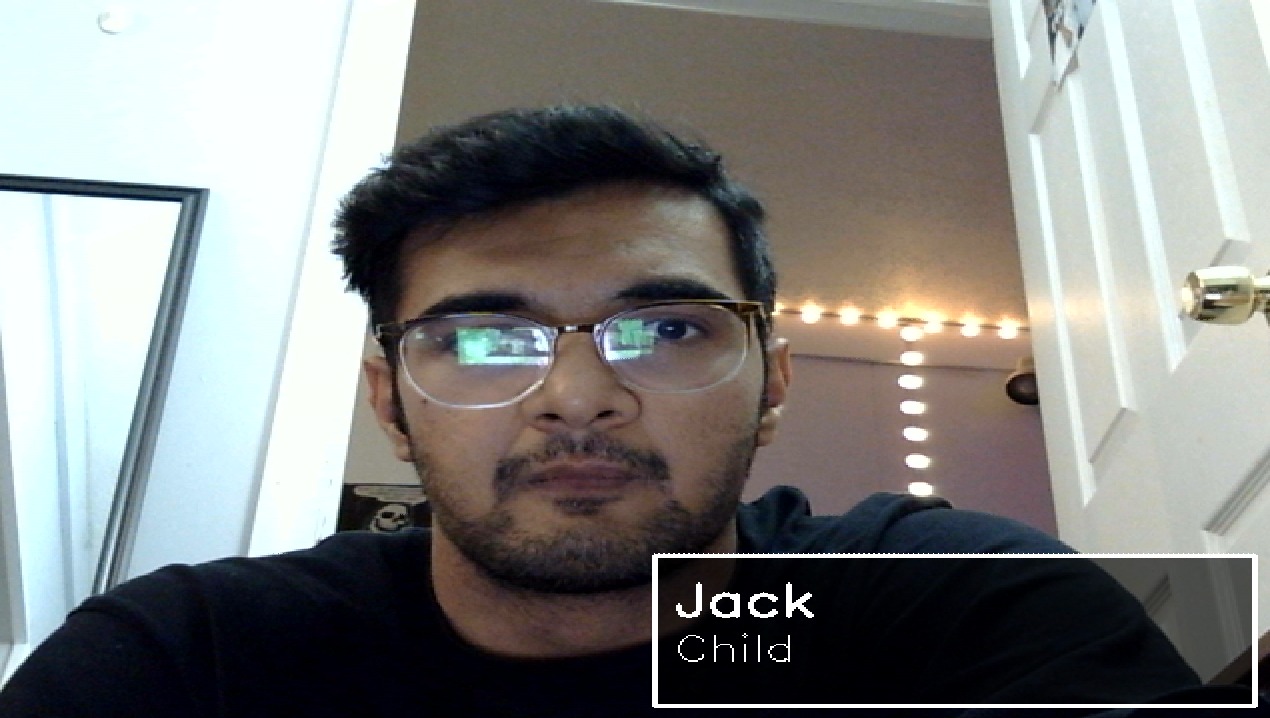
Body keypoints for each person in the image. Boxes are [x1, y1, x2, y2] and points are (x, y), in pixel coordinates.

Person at [0, 104, 1257, 716]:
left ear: (771, 378)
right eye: (483, 338)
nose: (579, 399)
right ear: (390, 395)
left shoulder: (943, 600)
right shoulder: (191, 658)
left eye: (663, 329)